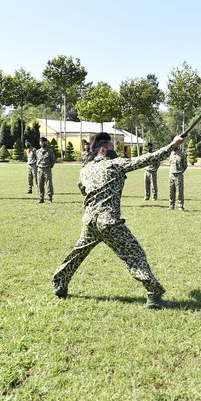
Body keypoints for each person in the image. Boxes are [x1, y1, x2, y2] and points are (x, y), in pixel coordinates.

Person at [52, 131, 186, 308]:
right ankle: (154, 295)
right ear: (102, 149)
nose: (114, 148)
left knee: (77, 254)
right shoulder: (115, 164)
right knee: (135, 256)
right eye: (110, 145)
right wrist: (173, 145)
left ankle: (59, 284)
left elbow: (83, 190)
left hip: (90, 221)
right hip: (109, 222)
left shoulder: (85, 169)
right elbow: (147, 159)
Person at [36, 136, 56, 203]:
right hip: (39, 170)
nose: (41, 143)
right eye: (40, 142)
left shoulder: (49, 151)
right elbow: (37, 159)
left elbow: (53, 160)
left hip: (47, 169)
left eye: (42, 142)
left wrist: (50, 167)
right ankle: (41, 198)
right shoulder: (38, 151)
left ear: (45, 142)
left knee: (49, 184)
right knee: (40, 184)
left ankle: (50, 198)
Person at [168, 146, 187, 211]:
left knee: (180, 191)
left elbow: (185, 165)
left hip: (179, 175)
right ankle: (171, 206)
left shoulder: (182, 154)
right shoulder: (171, 154)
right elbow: (170, 163)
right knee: (171, 191)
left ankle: (180, 206)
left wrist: (180, 172)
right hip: (171, 175)